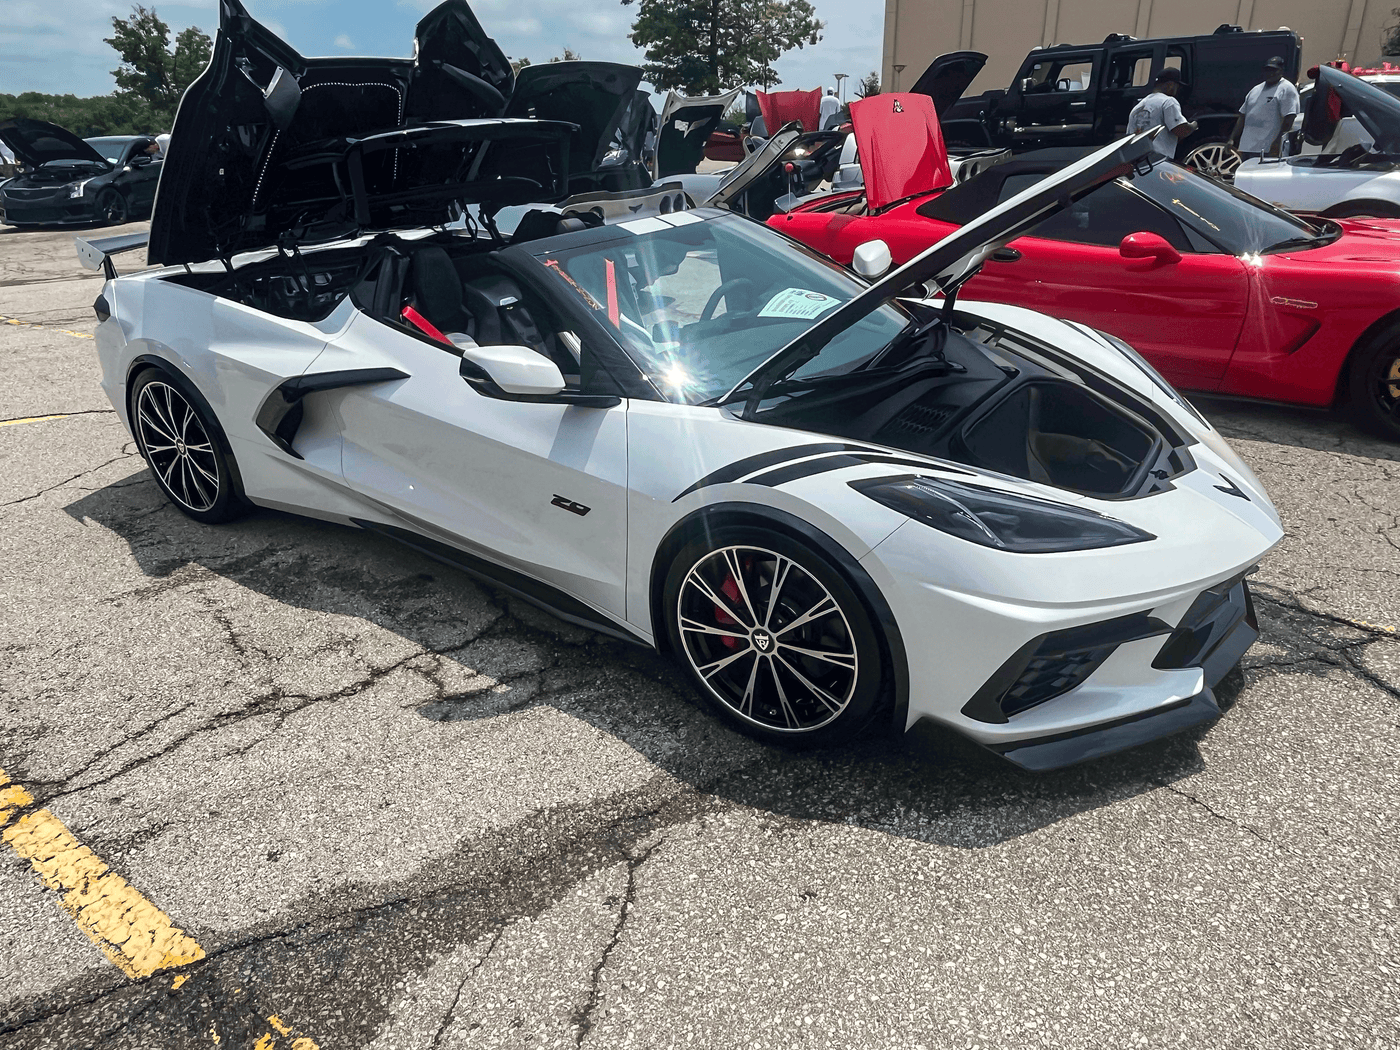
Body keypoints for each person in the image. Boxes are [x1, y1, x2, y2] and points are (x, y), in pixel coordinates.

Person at [1231, 57, 1301, 159]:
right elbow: (1242, 116)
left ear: (1282, 71)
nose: (1270, 73)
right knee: (1247, 175)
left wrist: (1277, 143)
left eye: (1274, 70)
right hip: (1247, 148)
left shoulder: (1287, 89)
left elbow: (1289, 118)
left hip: (1269, 149)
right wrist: (1232, 139)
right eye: (1268, 70)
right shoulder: (1255, 89)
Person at [1127, 67, 1197, 159]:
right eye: (1177, 86)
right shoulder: (1168, 101)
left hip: (1135, 160)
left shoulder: (1139, 106)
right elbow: (1180, 130)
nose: (1177, 90)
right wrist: (1194, 125)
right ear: (1170, 85)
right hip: (1156, 161)